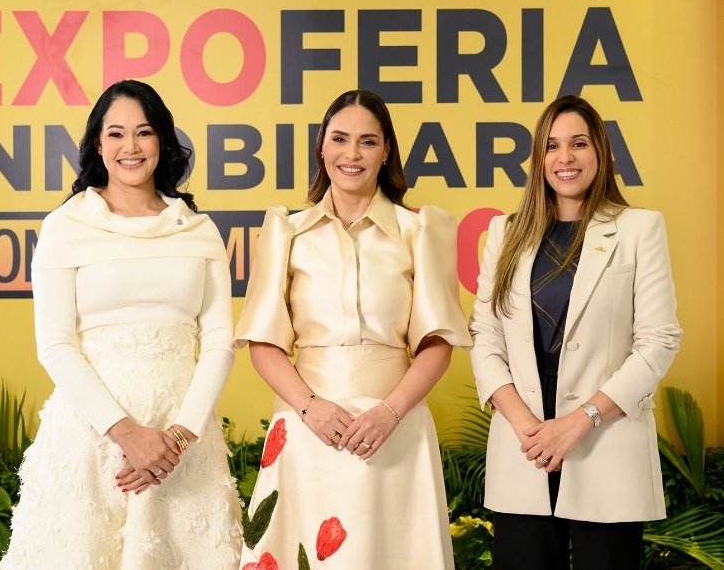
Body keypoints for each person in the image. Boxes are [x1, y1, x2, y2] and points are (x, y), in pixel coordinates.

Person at [0, 80, 242, 570]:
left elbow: (220, 343)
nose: (130, 147)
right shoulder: (65, 227)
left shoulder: (197, 229)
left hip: (184, 442)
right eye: (116, 134)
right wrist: (127, 433)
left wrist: (176, 437)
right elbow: (55, 344)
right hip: (92, 438)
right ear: (98, 144)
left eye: (144, 132)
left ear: (163, 142)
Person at [233, 89, 471, 569]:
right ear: (322, 146)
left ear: (386, 151)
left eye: (368, 141)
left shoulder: (421, 232)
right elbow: (263, 344)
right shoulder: (286, 231)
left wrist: (390, 413)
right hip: (306, 430)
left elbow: (437, 344)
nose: (353, 154)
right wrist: (310, 408)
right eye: (340, 139)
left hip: (394, 431)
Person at [469, 94, 682, 570]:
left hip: (605, 444)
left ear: (600, 152)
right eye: (551, 146)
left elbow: (658, 342)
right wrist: (530, 430)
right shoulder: (505, 232)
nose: (564, 158)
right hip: (524, 450)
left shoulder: (639, 229)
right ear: (538, 159)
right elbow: (485, 337)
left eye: (578, 144)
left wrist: (578, 422)